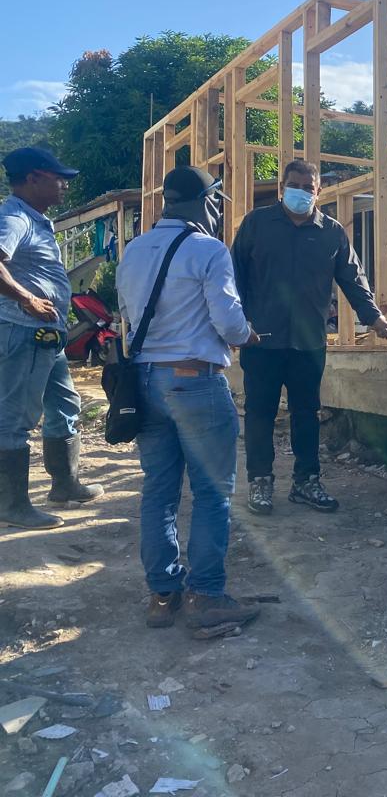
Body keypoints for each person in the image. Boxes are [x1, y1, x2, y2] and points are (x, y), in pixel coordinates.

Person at [117, 166, 262, 629]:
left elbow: (127, 314)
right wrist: (246, 335)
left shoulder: (134, 250)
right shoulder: (208, 249)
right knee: (212, 493)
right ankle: (207, 597)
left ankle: (163, 597)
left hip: (145, 382)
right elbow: (229, 322)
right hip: (195, 380)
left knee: (158, 491)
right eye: (216, 200)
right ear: (204, 202)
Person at [232, 159, 387, 516]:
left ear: (319, 191)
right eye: (295, 185)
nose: (301, 192)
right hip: (261, 340)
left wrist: (374, 317)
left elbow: (352, 277)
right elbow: (235, 276)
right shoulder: (257, 224)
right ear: (282, 188)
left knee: (306, 413)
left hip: (308, 343)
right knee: (259, 413)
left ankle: (306, 482)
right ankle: (260, 481)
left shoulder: (331, 232)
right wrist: (236, 323)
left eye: (309, 187)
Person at [0, 147, 101, 530]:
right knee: (15, 417)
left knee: (64, 403)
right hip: (23, 331)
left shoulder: (34, 218)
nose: (64, 185)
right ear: (32, 178)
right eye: (58, 178)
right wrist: (26, 298)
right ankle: (11, 505)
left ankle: (65, 484)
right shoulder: (14, 217)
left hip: (44, 336)